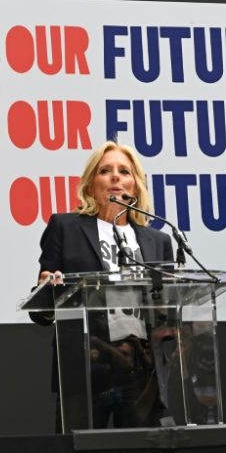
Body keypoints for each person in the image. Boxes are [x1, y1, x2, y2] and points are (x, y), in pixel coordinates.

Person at [31, 141, 174, 430]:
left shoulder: (158, 241)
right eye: (105, 170)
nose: (115, 177)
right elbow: (41, 311)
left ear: (135, 185)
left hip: (141, 371)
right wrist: (48, 291)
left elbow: (168, 312)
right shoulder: (65, 227)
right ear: (90, 185)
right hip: (86, 367)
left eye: (124, 171)